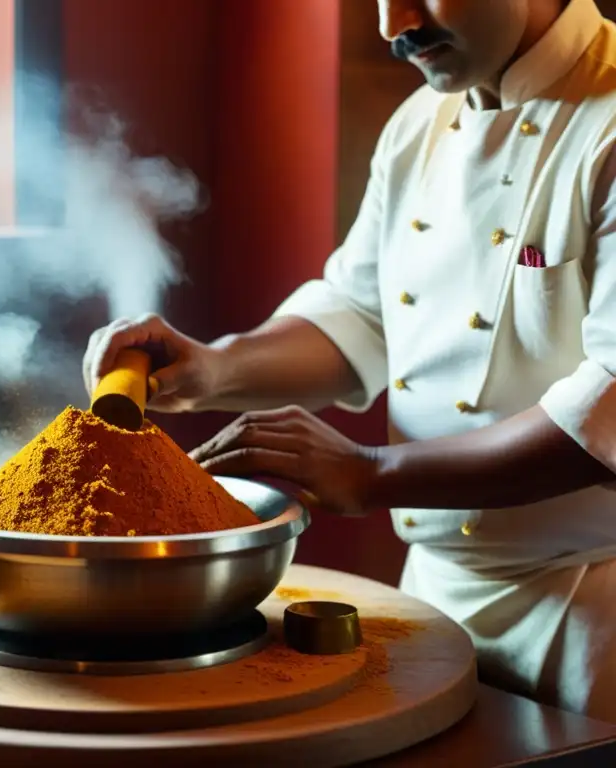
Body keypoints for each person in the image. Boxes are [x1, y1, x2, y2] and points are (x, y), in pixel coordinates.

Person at [84, 0, 616, 721]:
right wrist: (215, 368)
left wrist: (371, 474)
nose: (392, 24)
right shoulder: (418, 126)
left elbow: (608, 409)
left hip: (590, 612)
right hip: (432, 596)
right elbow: (360, 315)